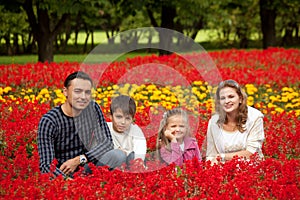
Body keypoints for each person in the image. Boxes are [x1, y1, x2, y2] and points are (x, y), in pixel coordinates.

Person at [38, 71, 125, 178]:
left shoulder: (92, 108)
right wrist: (67, 181)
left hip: (86, 166)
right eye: (77, 91)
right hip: (63, 173)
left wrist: (79, 160)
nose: (83, 97)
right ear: (65, 92)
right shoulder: (49, 121)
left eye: (87, 92)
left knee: (118, 155)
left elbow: (106, 143)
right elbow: (46, 166)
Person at [204, 79, 265, 164]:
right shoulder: (214, 122)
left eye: (231, 97)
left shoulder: (254, 117)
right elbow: (211, 154)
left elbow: (251, 153)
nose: (226, 101)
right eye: (222, 98)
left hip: (250, 167)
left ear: (240, 98)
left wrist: (223, 156)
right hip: (222, 167)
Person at [107, 95, 147, 166]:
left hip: (128, 164)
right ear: (111, 116)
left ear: (132, 119)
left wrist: (136, 162)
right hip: (109, 164)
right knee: (119, 155)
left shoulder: (135, 130)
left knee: (132, 156)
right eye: (119, 117)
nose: (123, 122)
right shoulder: (105, 128)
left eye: (127, 118)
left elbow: (140, 152)